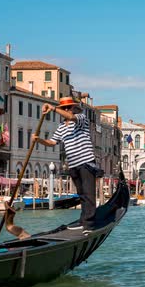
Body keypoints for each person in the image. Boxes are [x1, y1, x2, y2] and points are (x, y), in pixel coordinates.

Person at [32, 97, 98, 234]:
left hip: (86, 161)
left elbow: (71, 117)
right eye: (64, 108)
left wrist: (53, 108)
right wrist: (39, 140)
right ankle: (83, 221)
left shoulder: (81, 118)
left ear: (73, 108)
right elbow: (52, 142)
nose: (67, 110)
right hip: (73, 164)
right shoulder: (61, 127)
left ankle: (89, 225)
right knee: (81, 194)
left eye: (69, 107)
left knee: (89, 193)